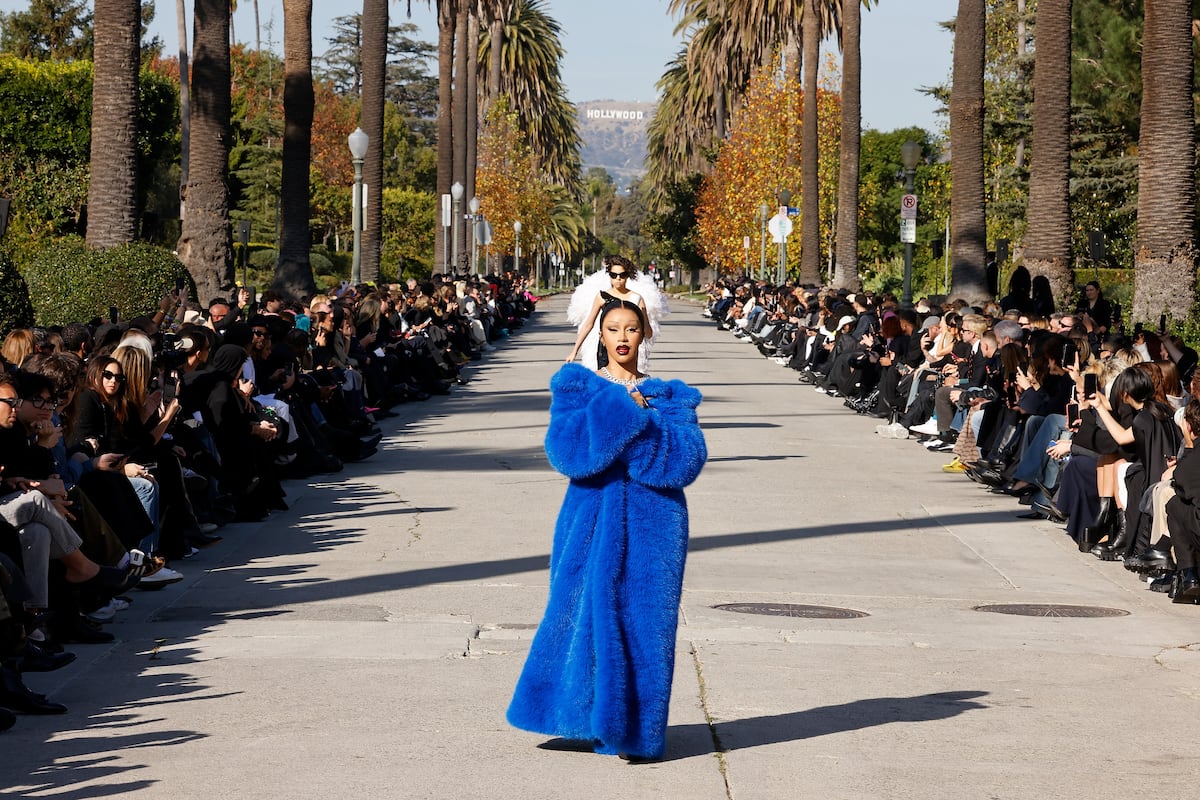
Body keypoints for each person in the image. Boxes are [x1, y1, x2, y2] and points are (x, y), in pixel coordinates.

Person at [508, 299, 707, 760]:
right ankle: (577, 719)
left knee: (647, 623)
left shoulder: (673, 398)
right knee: (579, 614)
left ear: (645, 335)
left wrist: (633, 424)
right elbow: (571, 454)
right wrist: (629, 416)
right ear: (599, 335)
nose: (622, 337)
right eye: (612, 328)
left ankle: (637, 734)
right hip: (588, 518)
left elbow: (681, 464)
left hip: (656, 523)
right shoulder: (576, 387)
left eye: (631, 329)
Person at [566, 255, 667, 372]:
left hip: (629, 348)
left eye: (622, 275)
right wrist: (574, 352)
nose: (618, 278)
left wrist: (642, 318)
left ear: (628, 275)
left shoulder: (637, 298)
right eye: (614, 275)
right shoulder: (602, 297)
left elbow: (648, 334)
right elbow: (588, 324)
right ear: (609, 276)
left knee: (627, 383)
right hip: (606, 348)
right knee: (605, 383)